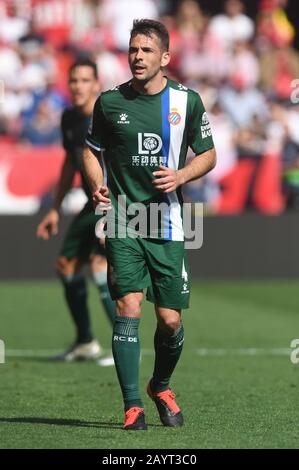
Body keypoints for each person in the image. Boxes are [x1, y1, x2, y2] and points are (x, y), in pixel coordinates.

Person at [82, 19, 216, 430]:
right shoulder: (109, 102)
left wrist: (180, 176)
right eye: (133, 49)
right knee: (128, 307)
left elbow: (209, 155)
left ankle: (161, 384)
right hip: (124, 218)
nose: (137, 56)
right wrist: (97, 183)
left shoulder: (187, 101)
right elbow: (90, 150)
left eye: (145, 50)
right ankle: (131, 404)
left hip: (170, 220)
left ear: (165, 57)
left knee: (171, 318)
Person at [37, 59, 115, 364]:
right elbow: (71, 162)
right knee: (66, 265)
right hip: (89, 203)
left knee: (101, 266)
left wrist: (114, 214)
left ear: (97, 84)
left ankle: (124, 346)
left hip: (114, 203)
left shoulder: (107, 116)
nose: (78, 86)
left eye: (85, 80)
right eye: (74, 80)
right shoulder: (69, 118)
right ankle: (85, 342)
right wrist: (54, 209)